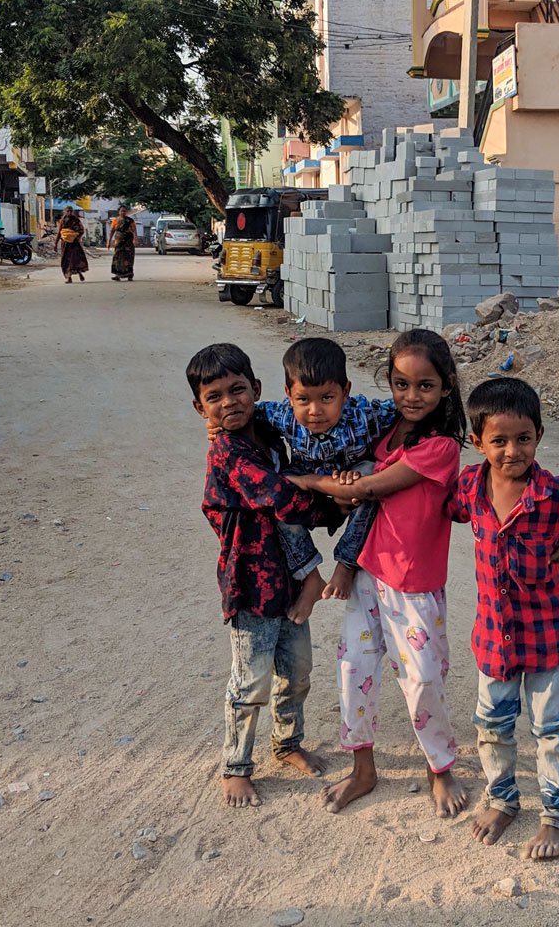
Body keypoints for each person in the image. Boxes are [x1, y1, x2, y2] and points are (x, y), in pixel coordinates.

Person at [286, 329, 468, 819]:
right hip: (368, 573)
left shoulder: (441, 448)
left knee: (423, 679)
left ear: (446, 387)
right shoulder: (386, 434)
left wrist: (309, 481)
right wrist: (341, 485)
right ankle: (363, 769)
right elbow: (353, 492)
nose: (412, 396)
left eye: (425, 386)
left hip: (414, 585)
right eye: (401, 384)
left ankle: (439, 768)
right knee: (354, 671)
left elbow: (370, 490)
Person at [446, 378, 559, 860]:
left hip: (548, 637)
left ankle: (556, 818)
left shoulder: (556, 494)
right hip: (493, 638)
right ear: (476, 442)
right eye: (498, 440)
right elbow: (438, 507)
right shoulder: (469, 486)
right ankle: (502, 800)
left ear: (539, 436)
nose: (511, 451)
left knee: (552, 730)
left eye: (523, 438)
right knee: (491, 724)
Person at [187, 342, 334, 809]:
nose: (229, 402)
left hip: (287, 581)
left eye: (238, 391)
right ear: (200, 407)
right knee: (249, 683)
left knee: (297, 672)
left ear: (256, 390)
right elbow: (279, 497)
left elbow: (302, 421)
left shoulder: (268, 432)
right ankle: (235, 766)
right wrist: (325, 494)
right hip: (251, 582)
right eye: (215, 397)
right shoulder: (228, 452)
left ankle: (288, 743)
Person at [255, 338, 397, 606]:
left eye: (327, 398)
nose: (315, 411)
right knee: (274, 491)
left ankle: (347, 562)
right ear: (288, 394)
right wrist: (215, 427)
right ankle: (309, 573)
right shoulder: (283, 415)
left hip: (352, 478)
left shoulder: (364, 415)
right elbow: (247, 414)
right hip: (305, 477)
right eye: (303, 399)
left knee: (372, 475)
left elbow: (406, 408)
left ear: (345, 391)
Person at [54, 205, 88, 283]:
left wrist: (75, 236)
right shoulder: (62, 221)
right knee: (66, 260)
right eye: (67, 211)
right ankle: (69, 277)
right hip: (65, 243)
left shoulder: (76, 220)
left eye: (70, 211)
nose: (69, 212)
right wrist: (55, 244)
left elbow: (82, 230)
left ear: (72, 212)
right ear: (65, 212)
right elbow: (59, 232)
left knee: (76, 259)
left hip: (74, 243)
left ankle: (79, 273)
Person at [107, 205, 136, 281]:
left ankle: (130, 274)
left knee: (128, 257)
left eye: (124, 211)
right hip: (118, 242)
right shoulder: (115, 221)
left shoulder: (130, 221)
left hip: (128, 241)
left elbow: (134, 230)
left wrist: (135, 239)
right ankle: (117, 275)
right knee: (117, 257)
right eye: (121, 211)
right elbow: (112, 231)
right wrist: (109, 241)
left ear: (126, 212)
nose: (123, 212)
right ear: (119, 212)